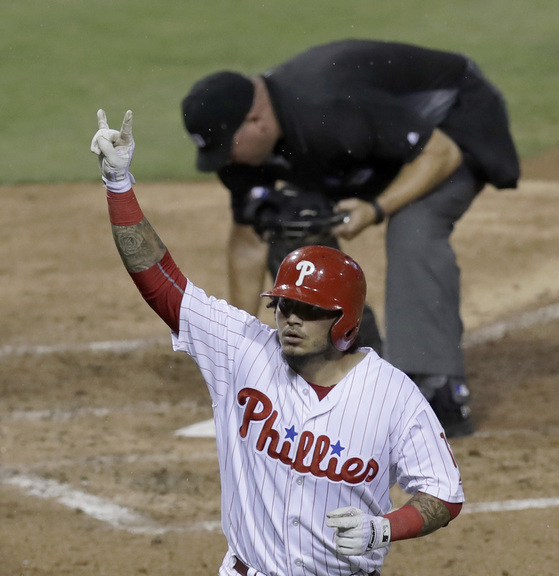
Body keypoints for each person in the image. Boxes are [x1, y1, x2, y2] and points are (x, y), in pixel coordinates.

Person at [91, 109, 465, 576]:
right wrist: (118, 184)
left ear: (344, 320)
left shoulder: (393, 396)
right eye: (284, 305)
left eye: (309, 310)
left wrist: (383, 529)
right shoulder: (242, 349)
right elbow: (160, 281)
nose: (291, 319)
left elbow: (444, 493)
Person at [181, 39, 521, 438]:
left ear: (256, 121)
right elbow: (250, 240)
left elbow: (441, 154)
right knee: (287, 223)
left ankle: (434, 390)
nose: (226, 161)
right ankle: (356, 369)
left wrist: (374, 208)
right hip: (373, 149)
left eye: (228, 148)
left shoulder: (326, 104)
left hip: (451, 126)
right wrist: (237, 354)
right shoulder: (246, 150)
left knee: (414, 225)